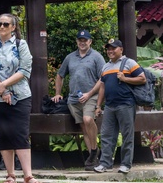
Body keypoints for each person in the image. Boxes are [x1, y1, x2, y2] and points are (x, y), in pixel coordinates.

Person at [0, 14, 44, 183]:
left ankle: (28, 176)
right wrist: (1, 90)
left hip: (20, 95)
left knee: (20, 133)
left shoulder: (20, 45)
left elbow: (25, 70)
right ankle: (10, 174)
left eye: (5, 24)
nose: (1, 27)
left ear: (13, 27)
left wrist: (4, 85)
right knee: (2, 134)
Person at [52, 30, 106, 169]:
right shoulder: (70, 57)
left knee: (88, 120)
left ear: (90, 41)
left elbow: (103, 78)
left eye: (85, 40)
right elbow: (60, 75)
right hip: (74, 99)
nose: (82, 42)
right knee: (84, 127)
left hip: (92, 96)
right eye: (80, 40)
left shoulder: (96, 57)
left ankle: (94, 151)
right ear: (77, 41)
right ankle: (93, 159)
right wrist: (58, 93)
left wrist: (89, 93)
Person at [94, 39, 146, 175]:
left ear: (121, 49)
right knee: (106, 135)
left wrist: (125, 79)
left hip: (126, 104)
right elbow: (102, 87)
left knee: (127, 135)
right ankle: (105, 163)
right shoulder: (105, 67)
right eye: (108, 49)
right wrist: (98, 106)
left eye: (113, 48)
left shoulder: (129, 63)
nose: (110, 51)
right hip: (110, 106)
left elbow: (142, 78)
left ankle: (125, 164)